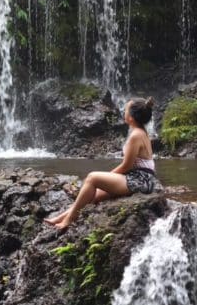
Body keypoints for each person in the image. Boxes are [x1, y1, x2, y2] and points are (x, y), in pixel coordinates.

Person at [44, 97, 159, 230]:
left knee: (93, 178)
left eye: (126, 110)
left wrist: (108, 176)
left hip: (140, 180)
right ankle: (60, 218)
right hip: (141, 178)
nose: (124, 112)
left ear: (132, 118)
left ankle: (67, 221)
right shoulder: (141, 132)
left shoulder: (136, 135)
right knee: (92, 195)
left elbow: (126, 165)